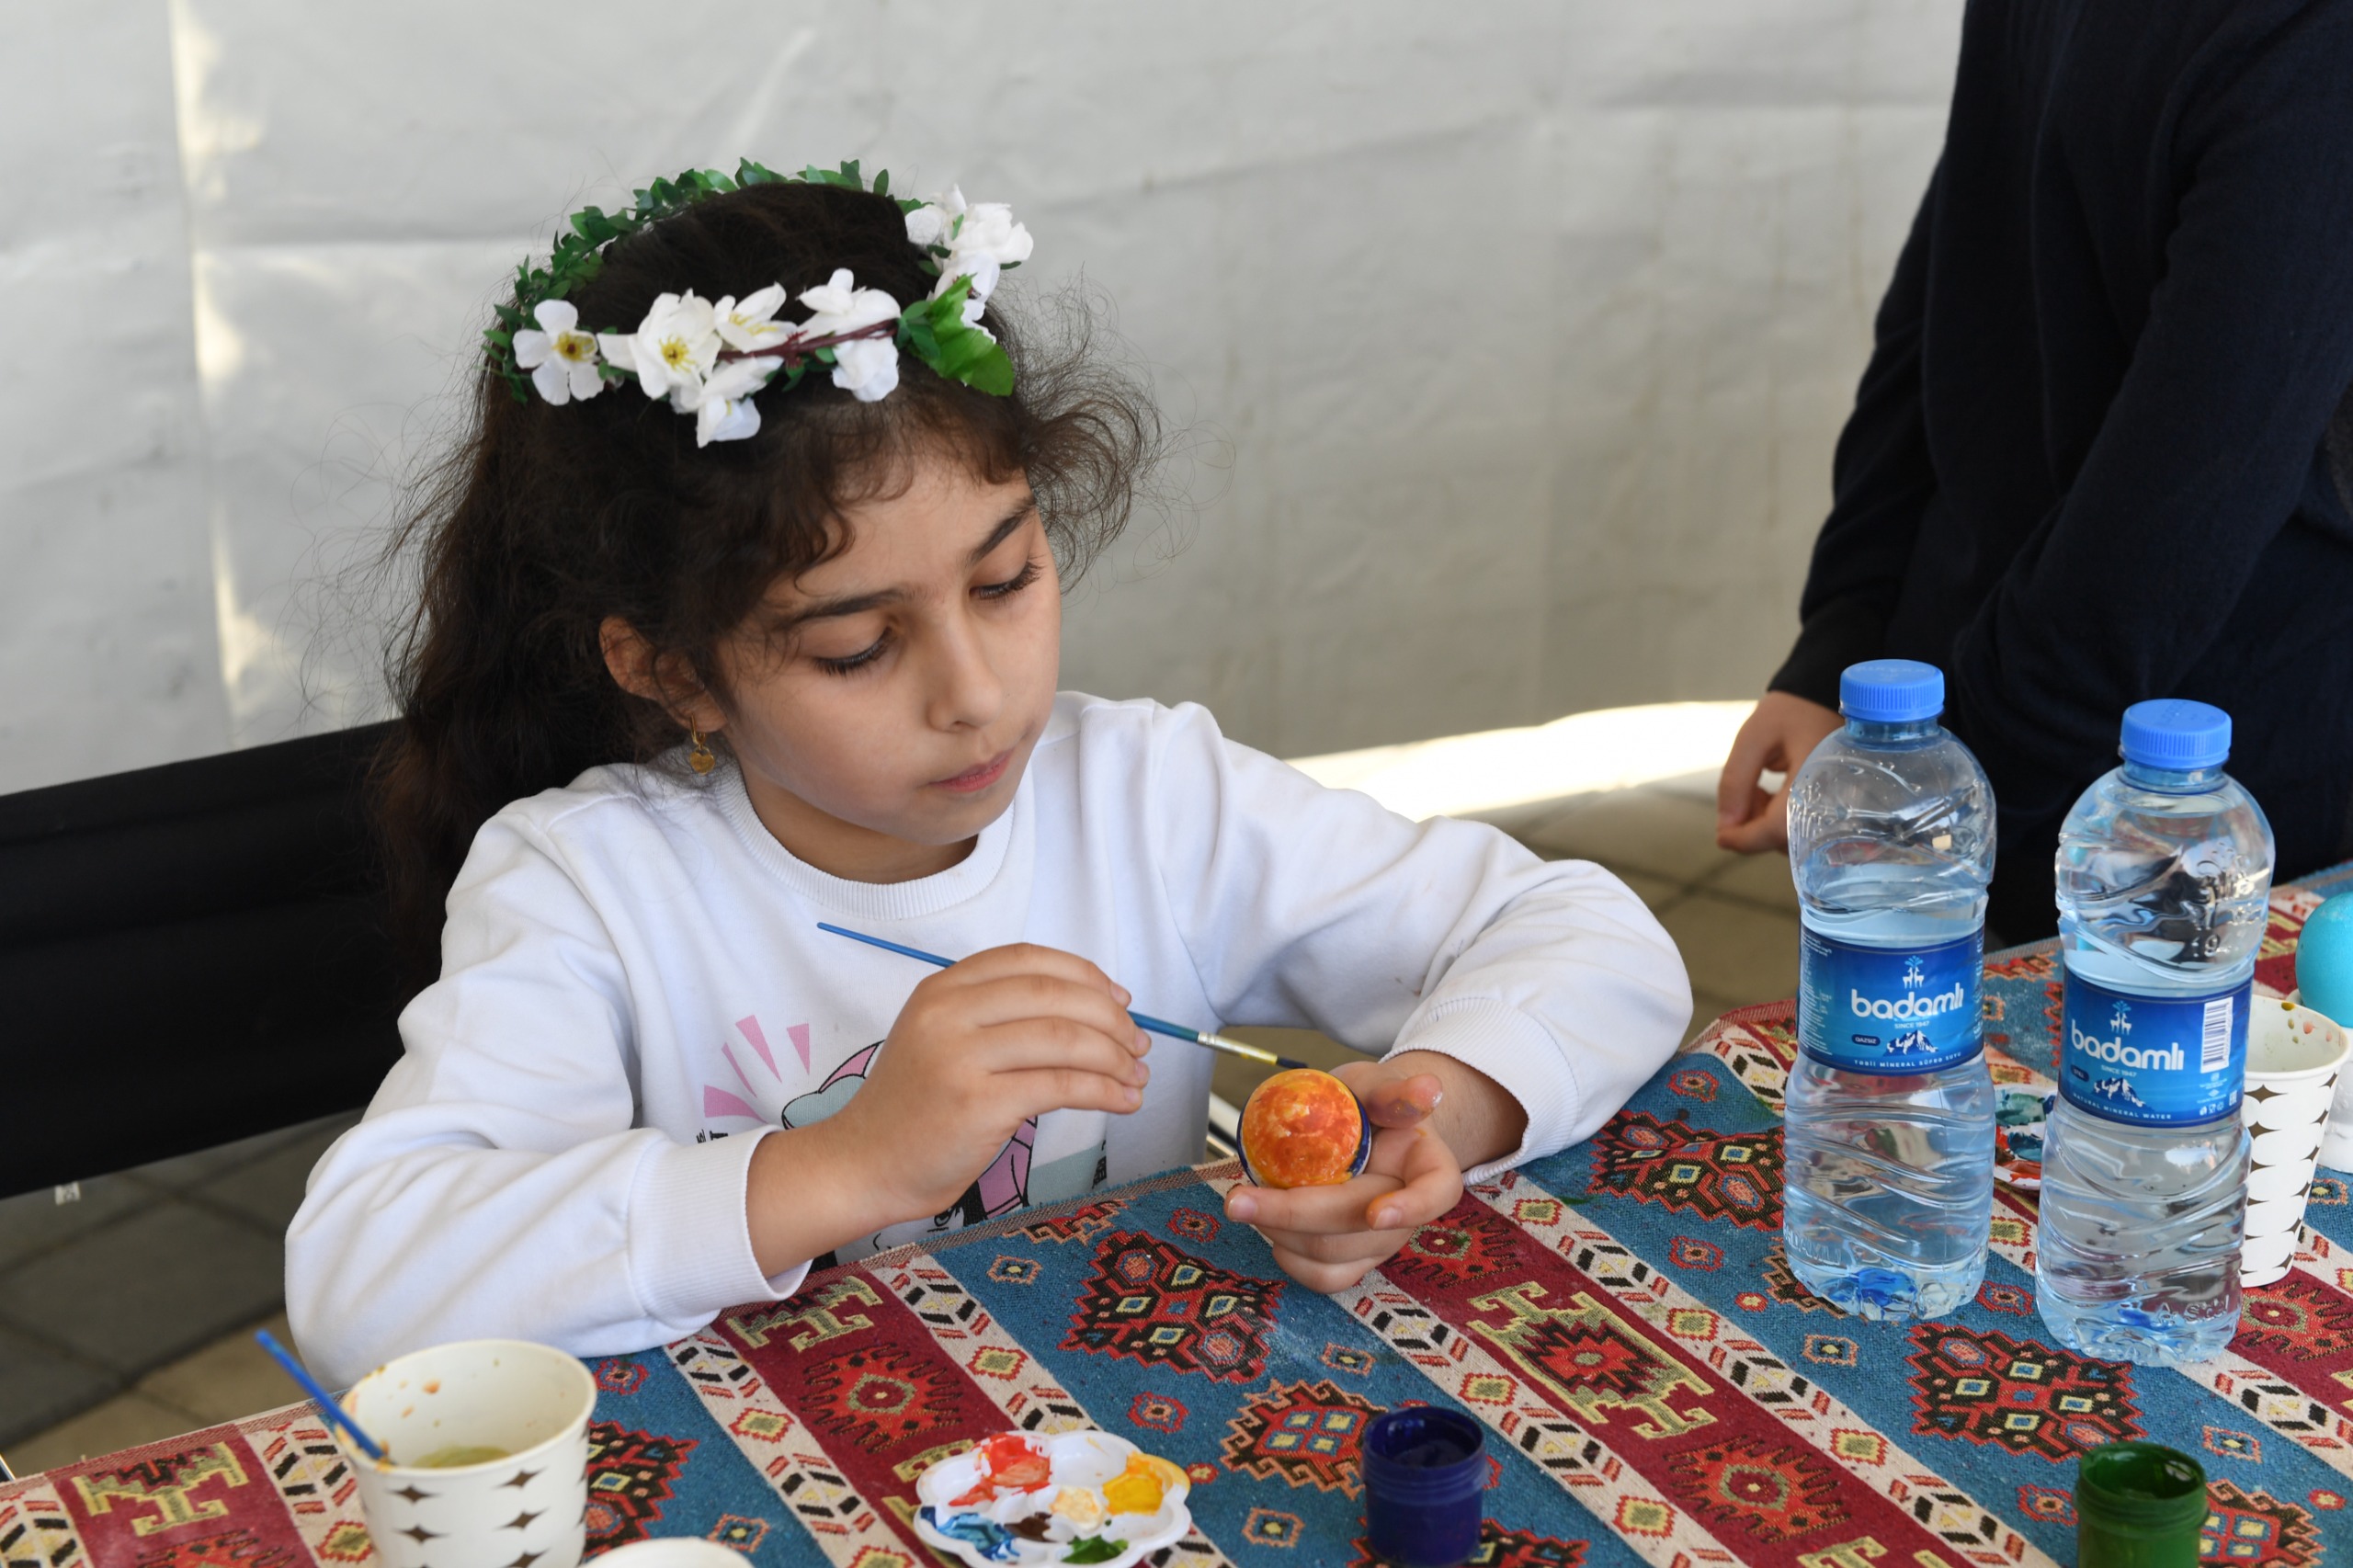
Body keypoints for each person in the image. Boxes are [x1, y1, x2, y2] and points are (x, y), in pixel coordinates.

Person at [285, 163, 1690, 1386]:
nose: (977, 693)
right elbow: (365, 1292)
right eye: (854, 647)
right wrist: (836, 1168)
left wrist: (1438, 1106)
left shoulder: (1143, 799)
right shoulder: (594, 888)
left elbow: (1586, 933)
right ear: (673, 669)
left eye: (1008, 578)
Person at [1715, 0, 2353, 940]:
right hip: (2075, 764)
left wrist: (1925, 778)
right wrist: (1847, 650)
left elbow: (2176, 508)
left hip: (2167, 787)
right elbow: (1953, 277)